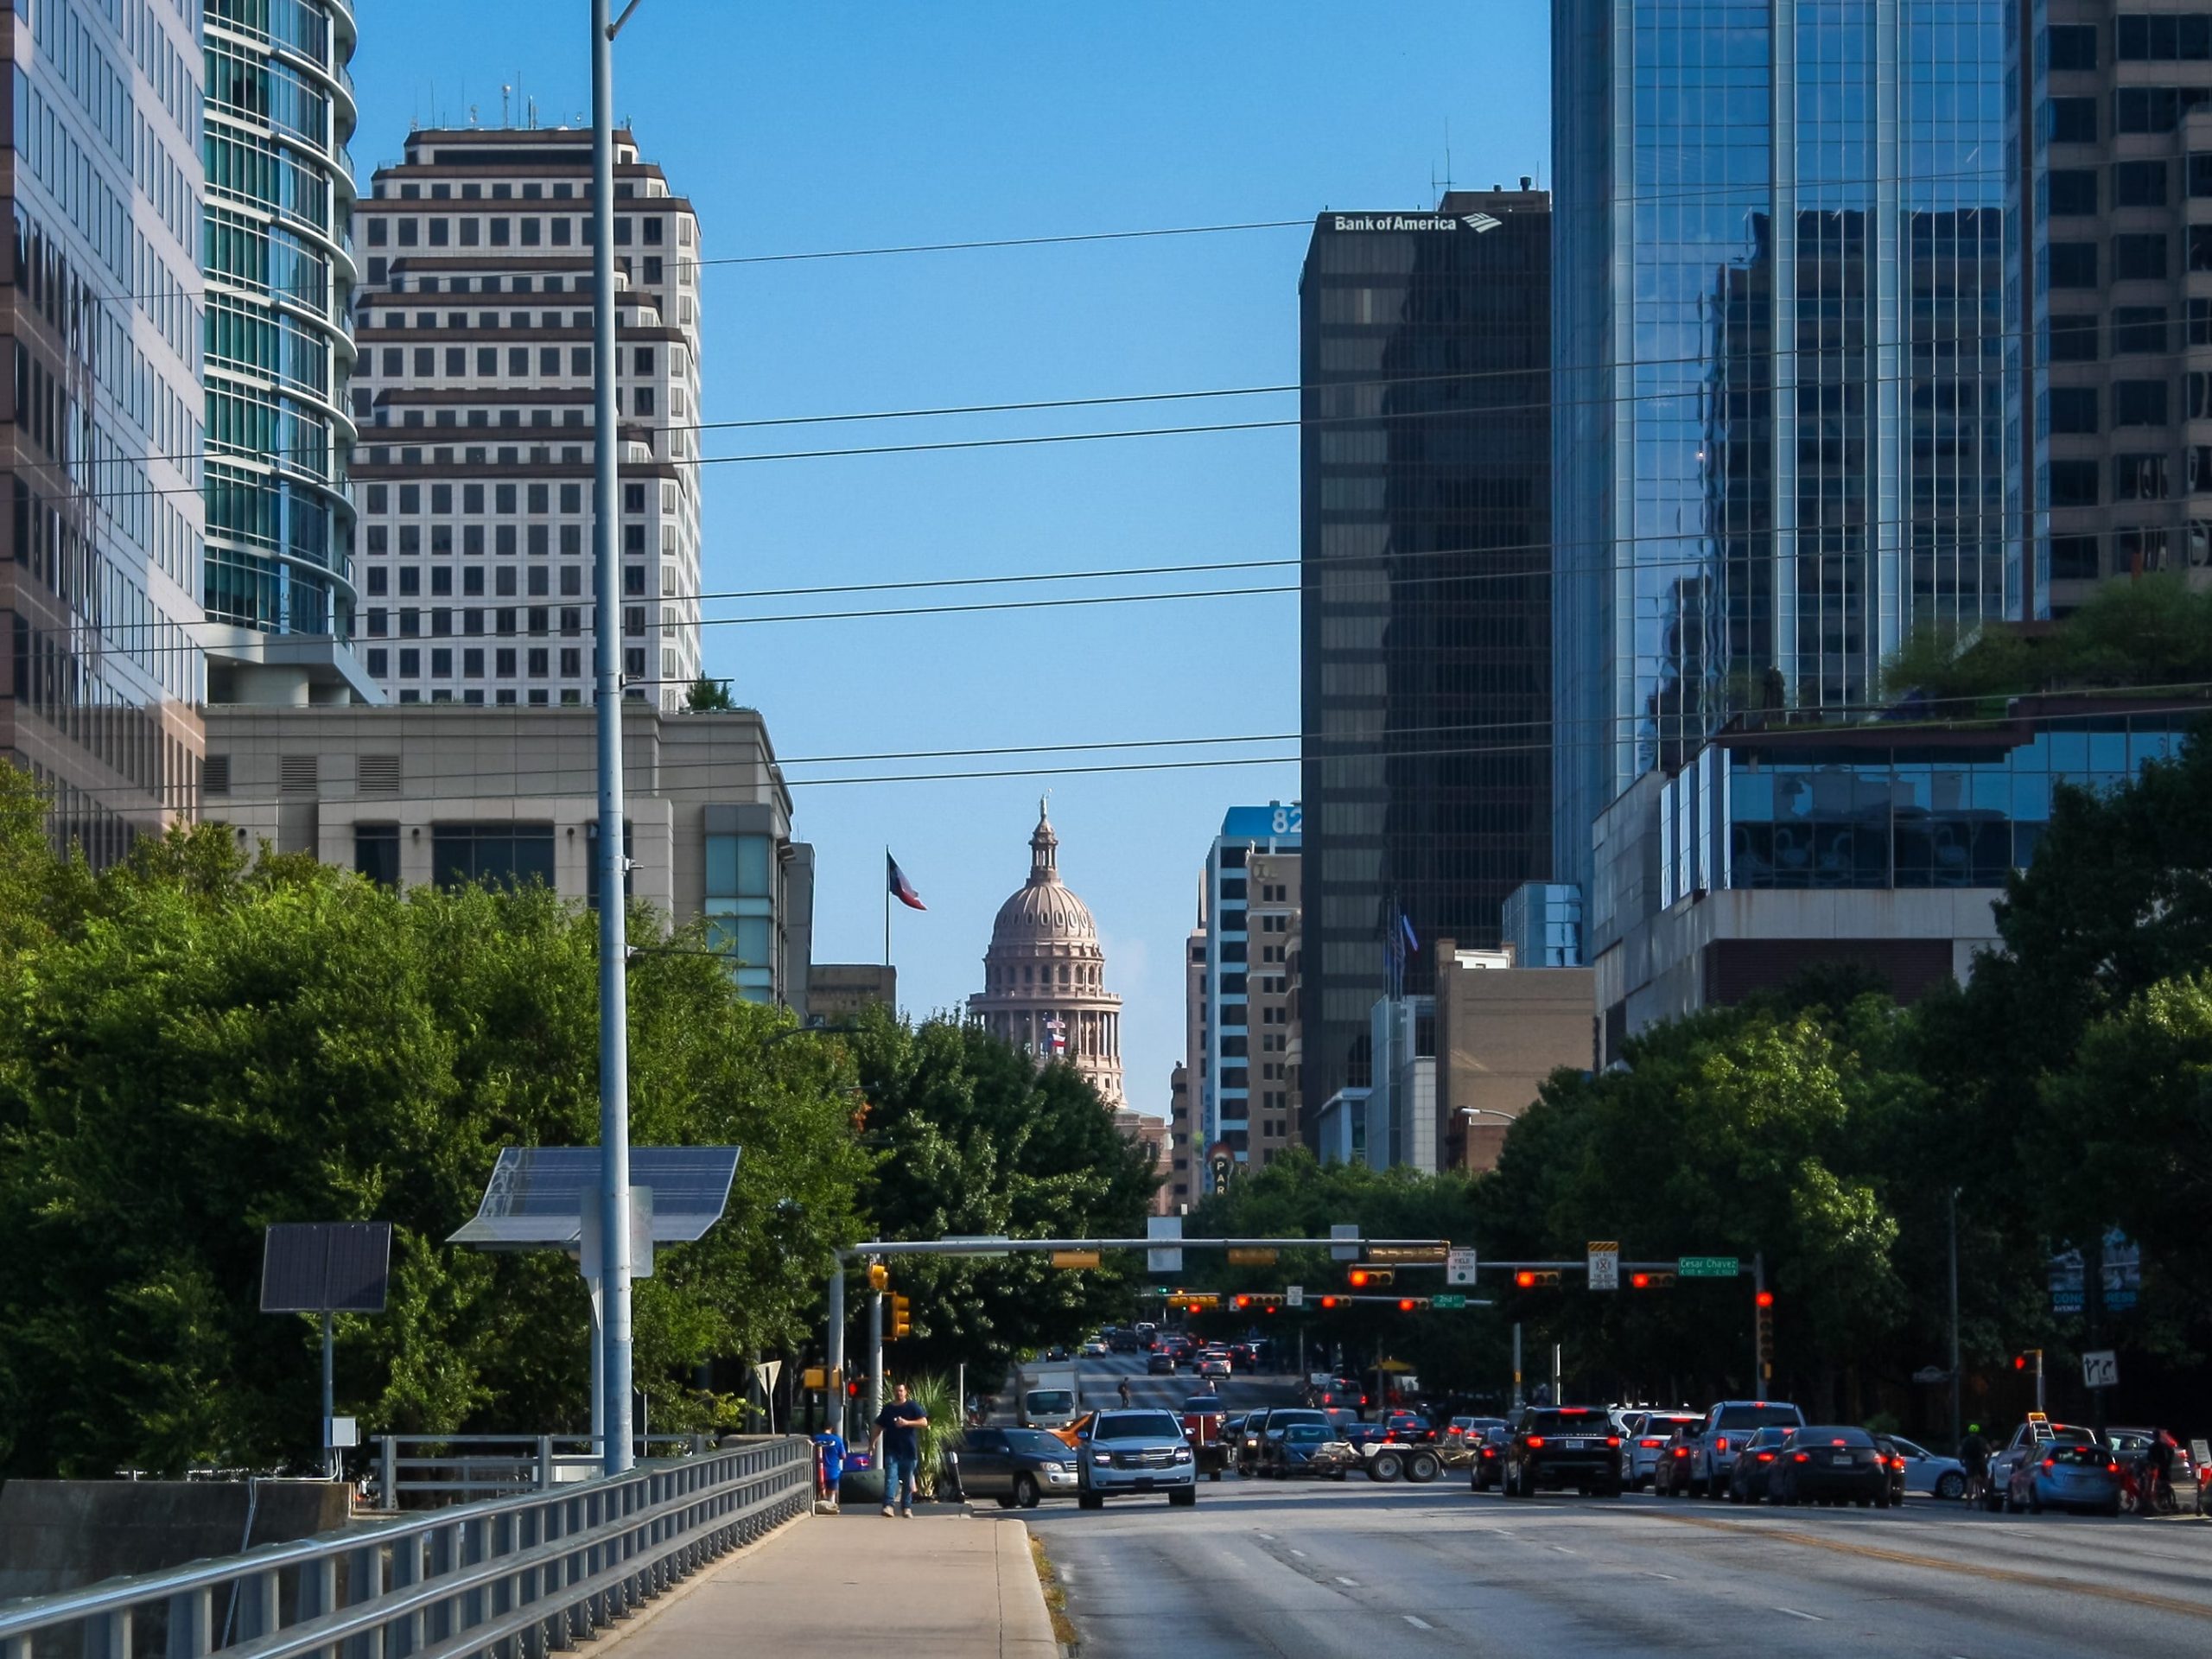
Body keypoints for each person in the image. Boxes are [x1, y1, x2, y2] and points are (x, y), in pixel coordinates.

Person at [870, 1382, 928, 1518]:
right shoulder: (888, 1409)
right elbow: (878, 1426)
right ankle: (888, 1506)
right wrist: (872, 1443)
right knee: (890, 1478)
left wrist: (907, 1423)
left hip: (909, 1450)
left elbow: (924, 1422)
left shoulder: (912, 1406)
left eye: (901, 1391)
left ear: (906, 1392)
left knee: (908, 1480)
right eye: (896, 1391)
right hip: (892, 1450)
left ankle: (906, 1508)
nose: (899, 1393)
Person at [1959, 1425, 1991, 1505]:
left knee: (1970, 1481)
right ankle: (1986, 1496)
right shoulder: (1982, 1440)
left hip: (1969, 1462)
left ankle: (1969, 1502)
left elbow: (1959, 1451)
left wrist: (1961, 1461)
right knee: (1985, 1478)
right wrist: (1987, 1459)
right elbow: (1990, 1451)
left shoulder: (1965, 1440)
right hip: (1981, 1461)